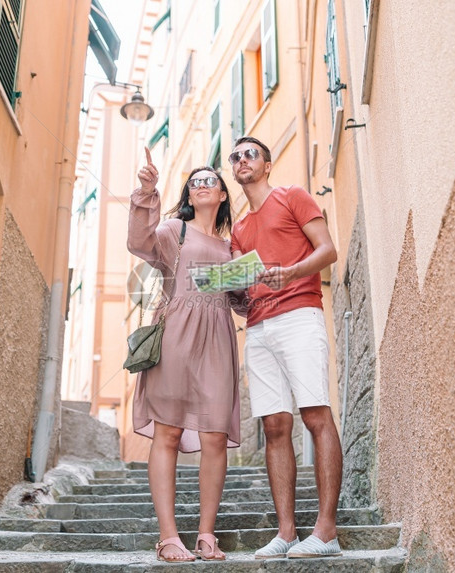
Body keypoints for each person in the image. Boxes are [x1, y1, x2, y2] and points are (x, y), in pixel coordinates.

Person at [228, 136, 343, 559]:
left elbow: (328, 250)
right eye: (235, 156)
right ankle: (287, 533)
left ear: (267, 164)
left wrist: (290, 273)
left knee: (315, 413)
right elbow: (244, 292)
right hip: (258, 328)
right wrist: (226, 290)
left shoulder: (292, 195)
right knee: (275, 427)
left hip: (299, 316)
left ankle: (326, 532)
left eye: (250, 154)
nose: (241, 160)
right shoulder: (239, 229)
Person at [127, 148, 241, 562]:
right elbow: (140, 242)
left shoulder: (232, 247)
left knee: (214, 436)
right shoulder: (175, 230)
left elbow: (240, 302)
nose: (200, 185)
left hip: (218, 337)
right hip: (175, 331)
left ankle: (207, 536)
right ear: (189, 197)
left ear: (224, 194)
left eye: (209, 179)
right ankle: (168, 537)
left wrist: (253, 279)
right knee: (169, 432)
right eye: (194, 182)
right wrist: (146, 192)